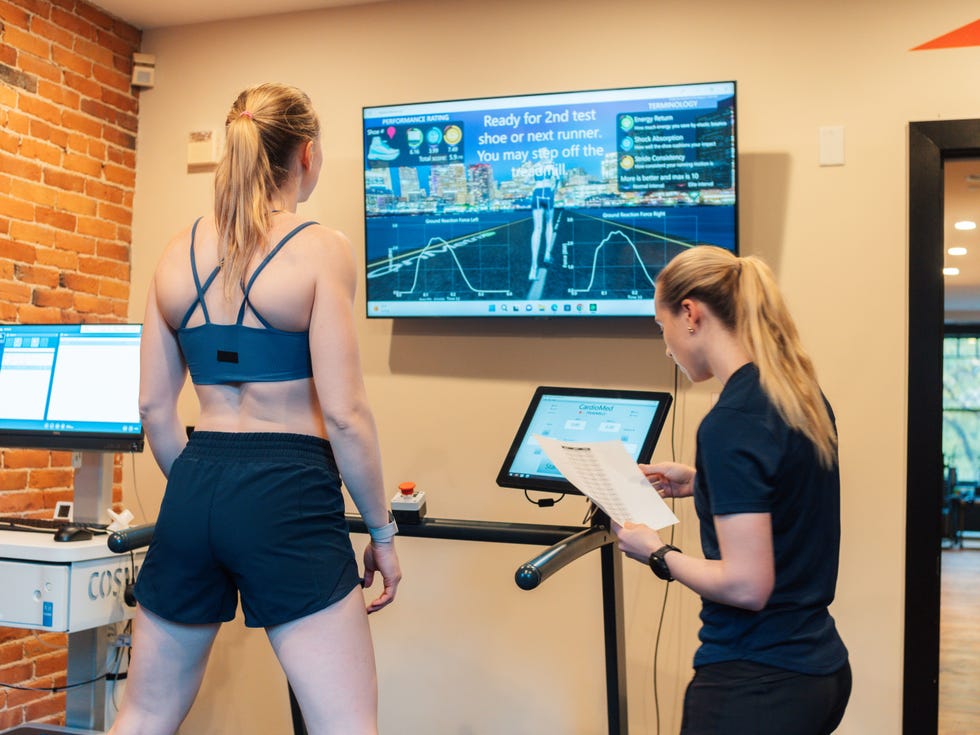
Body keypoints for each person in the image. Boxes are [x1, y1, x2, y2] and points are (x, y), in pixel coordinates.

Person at [109, 83, 401, 735]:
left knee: (144, 714)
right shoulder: (323, 249)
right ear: (306, 153)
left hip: (195, 482)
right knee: (347, 725)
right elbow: (347, 413)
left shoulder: (173, 256)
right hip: (288, 486)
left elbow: (155, 409)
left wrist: (207, 488)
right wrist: (382, 533)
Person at [612, 246, 850, 734]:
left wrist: (655, 552)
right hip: (818, 670)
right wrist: (701, 482)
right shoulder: (794, 393)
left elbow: (746, 585)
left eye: (663, 329)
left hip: (756, 682)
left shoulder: (730, 423)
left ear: (690, 313)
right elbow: (786, 493)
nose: (666, 348)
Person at [528, 147, 558, 281]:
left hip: (537, 193)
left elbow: (527, 181)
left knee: (537, 229)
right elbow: (556, 181)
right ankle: (547, 253)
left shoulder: (535, 166)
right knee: (549, 223)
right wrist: (553, 190)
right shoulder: (552, 166)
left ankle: (533, 269)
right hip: (548, 193)